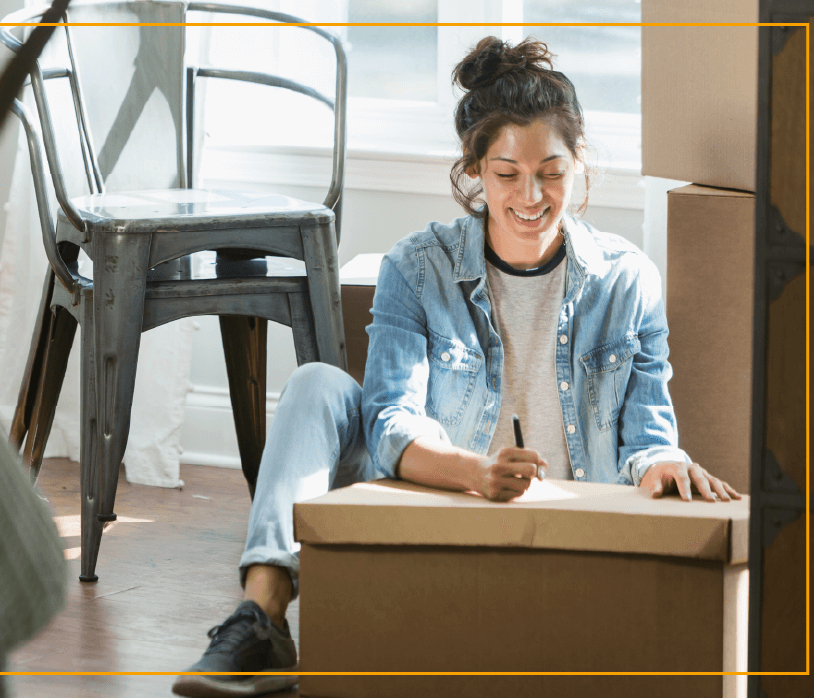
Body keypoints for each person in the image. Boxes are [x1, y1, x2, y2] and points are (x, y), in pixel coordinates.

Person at [170, 36, 741, 698]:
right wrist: (477, 474)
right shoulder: (418, 266)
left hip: (566, 518)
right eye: (507, 174)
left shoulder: (628, 280)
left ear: (579, 162)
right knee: (318, 385)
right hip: (441, 491)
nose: (532, 196)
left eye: (551, 171)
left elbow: (645, 438)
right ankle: (260, 619)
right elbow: (389, 423)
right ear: (474, 170)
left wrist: (664, 462)